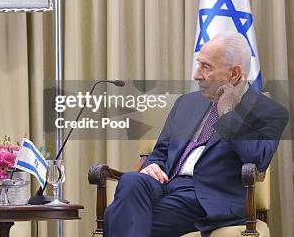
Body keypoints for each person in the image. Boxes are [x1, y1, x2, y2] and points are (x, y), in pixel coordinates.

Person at [103, 32, 288, 237]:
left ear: (234, 74)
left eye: (206, 67)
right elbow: (161, 151)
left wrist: (226, 113)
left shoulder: (269, 112)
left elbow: (257, 157)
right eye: (199, 64)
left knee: (115, 215)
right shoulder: (187, 102)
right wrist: (152, 166)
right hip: (165, 186)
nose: (196, 74)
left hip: (206, 199)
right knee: (131, 180)